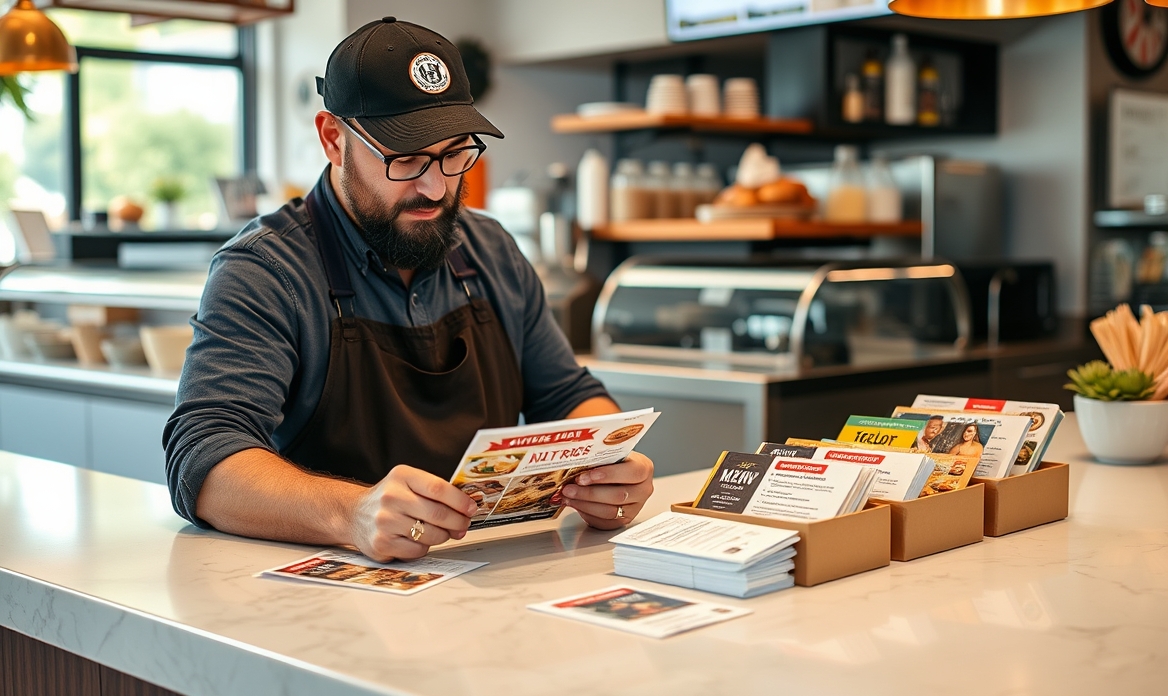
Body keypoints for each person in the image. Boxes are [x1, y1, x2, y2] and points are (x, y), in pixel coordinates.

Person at [163, 17, 654, 562]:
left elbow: (565, 394)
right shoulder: (266, 271)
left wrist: (610, 462)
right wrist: (351, 513)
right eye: (407, 159)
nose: (435, 187)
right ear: (333, 139)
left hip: (487, 576)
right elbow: (204, 458)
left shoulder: (491, 249)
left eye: (454, 154)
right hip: (332, 593)